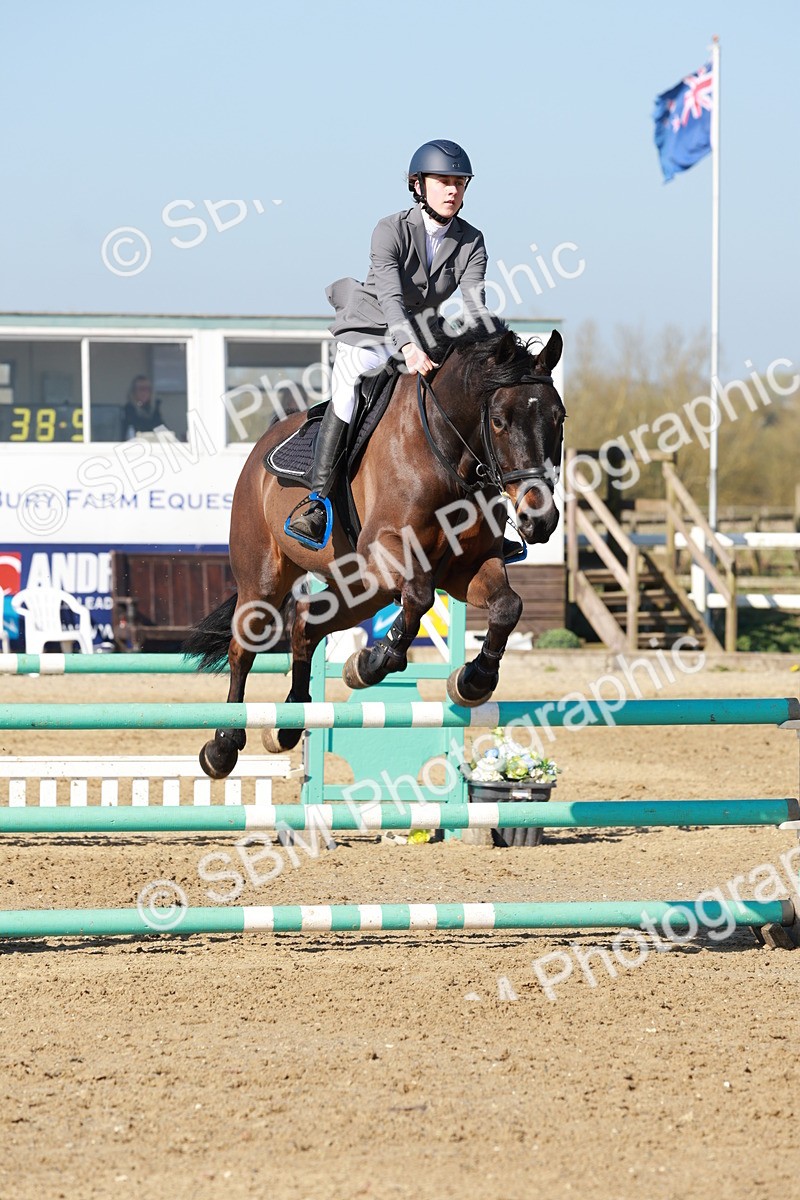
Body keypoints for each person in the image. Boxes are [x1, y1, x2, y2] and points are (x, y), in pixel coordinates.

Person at [286, 139, 492, 548]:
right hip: (372, 324)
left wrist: (490, 350)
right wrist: (409, 348)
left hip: (426, 329)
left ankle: (488, 506)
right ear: (419, 185)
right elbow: (391, 297)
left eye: (460, 183)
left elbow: (473, 305)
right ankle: (318, 501)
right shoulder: (390, 229)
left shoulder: (472, 240)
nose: (453, 190)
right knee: (347, 388)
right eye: (444, 181)